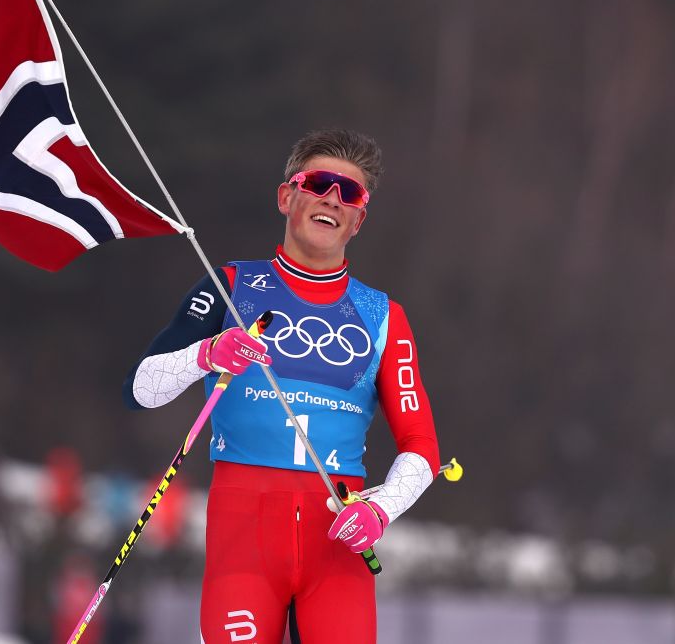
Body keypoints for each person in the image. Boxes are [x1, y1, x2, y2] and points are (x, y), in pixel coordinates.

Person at [124, 129, 440, 643]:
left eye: (350, 194)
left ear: (359, 219)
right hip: (243, 537)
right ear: (286, 196)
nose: (332, 200)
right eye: (318, 183)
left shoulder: (384, 317)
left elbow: (422, 449)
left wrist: (381, 508)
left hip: (337, 544)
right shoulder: (227, 285)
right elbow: (140, 389)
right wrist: (204, 354)